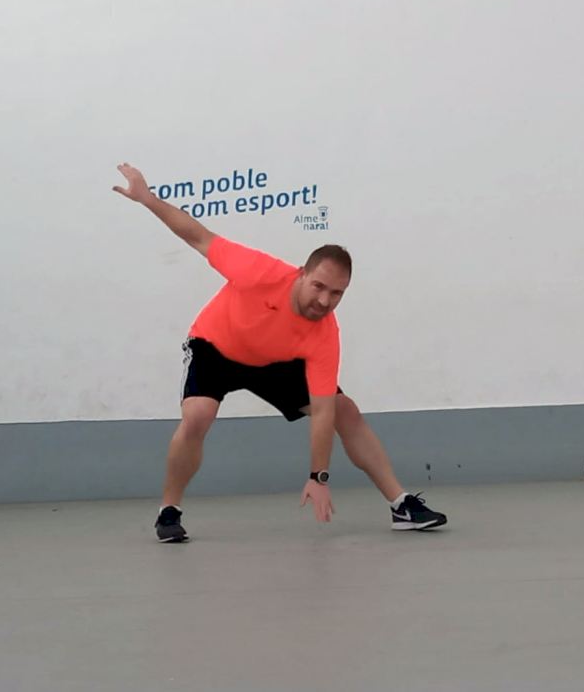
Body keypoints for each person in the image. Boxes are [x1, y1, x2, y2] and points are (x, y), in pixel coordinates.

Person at [111, 163, 447, 542]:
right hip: (216, 346)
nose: (324, 300)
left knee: (344, 410)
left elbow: (322, 411)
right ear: (301, 273)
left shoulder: (325, 334)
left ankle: (401, 504)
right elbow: (197, 236)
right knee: (198, 415)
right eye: (318, 286)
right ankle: (169, 511)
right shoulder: (258, 271)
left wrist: (318, 477)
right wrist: (147, 199)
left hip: (274, 361)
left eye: (336, 293)